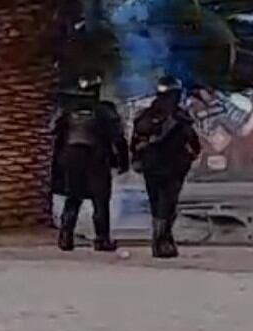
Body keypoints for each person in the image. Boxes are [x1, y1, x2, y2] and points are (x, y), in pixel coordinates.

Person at [52, 74, 128, 252]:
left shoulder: (68, 110)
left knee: (73, 197)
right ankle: (102, 239)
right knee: (100, 200)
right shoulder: (105, 110)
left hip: (71, 158)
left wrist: (57, 163)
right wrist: (123, 162)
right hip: (96, 157)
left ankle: (65, 237)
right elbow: (118, 138)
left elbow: (56, 136)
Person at [131, 76, 202, 258]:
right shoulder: (179, 117)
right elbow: (193, 142)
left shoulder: (145, 116)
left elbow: (135, 140)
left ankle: (162, 240)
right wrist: (190, 157)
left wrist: (137, 159)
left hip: (151, 167)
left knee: (157, 204)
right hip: (172, 167)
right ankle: (161, 241)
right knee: (167, 204)